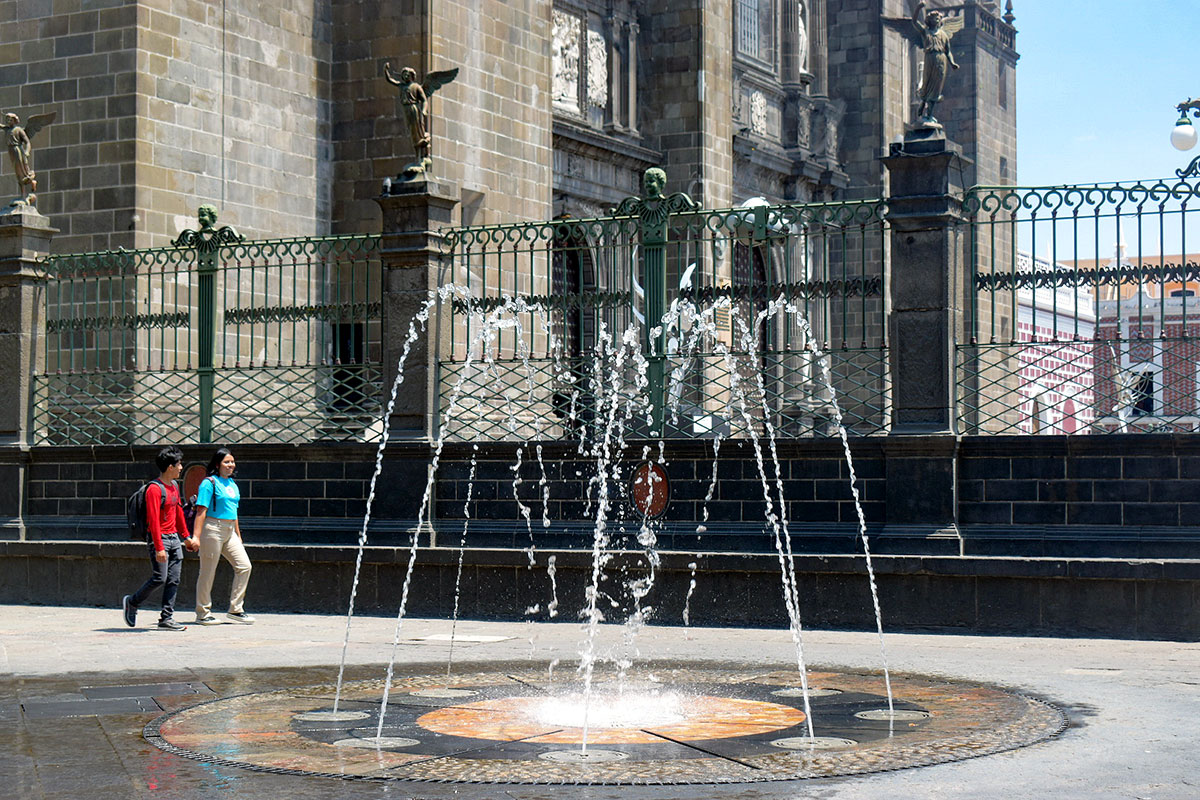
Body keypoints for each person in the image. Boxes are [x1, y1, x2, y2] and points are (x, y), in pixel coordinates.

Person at [122, 446, 199, 631]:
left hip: (174, 538)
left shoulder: (174, 486)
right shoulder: (154, 490)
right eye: (179, 464)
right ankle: (132, 602)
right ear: (170, 466)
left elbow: (178, 513)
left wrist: (186, 537)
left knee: (174, 579)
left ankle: (166, 618)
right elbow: (153, 521)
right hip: (160, 539)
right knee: (160, 577)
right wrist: (159, 548)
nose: (181, 468)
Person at [192, 447, 254, 624]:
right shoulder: (209, 483)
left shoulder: (232, 484)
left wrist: (238, 535)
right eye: (227, 462)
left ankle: (236, 609)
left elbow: (234, 513)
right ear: (217, 464)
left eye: (232, 462)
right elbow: (201, 511)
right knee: (208, 571)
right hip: (212, 528)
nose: (231, 465)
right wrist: (196, 536)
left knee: (244, 566)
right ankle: (203, 613)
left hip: (229, 530)